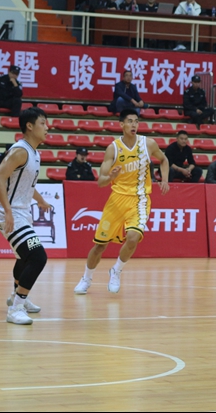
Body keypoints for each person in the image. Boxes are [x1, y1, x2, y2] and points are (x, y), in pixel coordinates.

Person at [74, 109, 170, 295]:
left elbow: (163, 160)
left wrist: (164, 180)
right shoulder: (113, 148)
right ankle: (86, 278)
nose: (134, 125)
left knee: (133, 238)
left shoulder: (148, 144)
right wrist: (111, 177)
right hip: (117, 200)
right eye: (130, 121)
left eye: (136, 121)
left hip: (140, 199)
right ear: (121, 125)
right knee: (100, 245)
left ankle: (116, 270)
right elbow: (101, 182)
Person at [0, 108, 51, 325]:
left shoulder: (35, 153)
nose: (47, 128)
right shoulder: (20, 151)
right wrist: (8, 211)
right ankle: (16, 307)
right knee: (38, 257)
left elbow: (27, 184)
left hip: (22, 213)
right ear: (30, 126)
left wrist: (41, 200)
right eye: (43, 123)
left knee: (23, 257)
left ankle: (16, 297)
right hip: (11, 214)